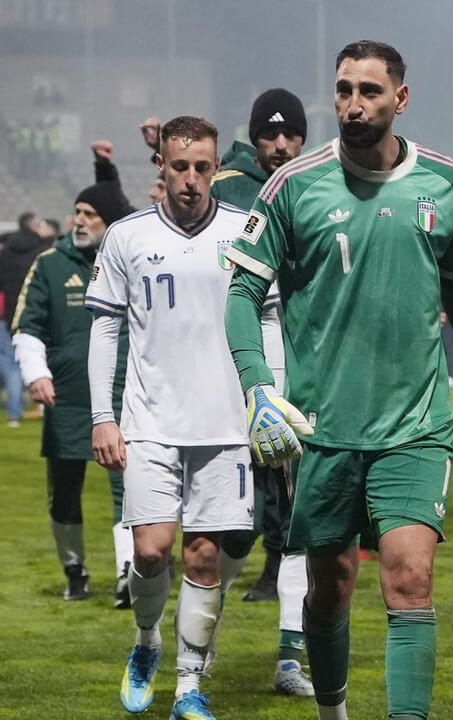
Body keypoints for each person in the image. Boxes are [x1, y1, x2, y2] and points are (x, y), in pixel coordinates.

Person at [223, 40, 453, 720]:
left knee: (410, 580)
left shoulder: (444, 183)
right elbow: (240, 294)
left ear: (400, 99)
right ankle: (332, 711)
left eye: (369, 91)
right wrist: (259, 388)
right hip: (324, 430)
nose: (353, 104)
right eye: (344, 90)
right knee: (331, 587)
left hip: (415, 424)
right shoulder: (293, 186)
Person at [86, 115, 254, 720]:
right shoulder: (126, 236)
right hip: (150, 422)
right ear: (161, 165)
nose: (190, 179)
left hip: (227, 426)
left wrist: (268, 401)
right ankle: (146, 641)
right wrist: (103, 416)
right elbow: (105, 328)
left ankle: (189, 687)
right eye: (179, 166)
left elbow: (268, 319)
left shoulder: (246, 231)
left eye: (202, 167)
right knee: (152, 552)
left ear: (216, 168)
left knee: (205, 557)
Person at [209, 87, 315, 696]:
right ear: (253, 139)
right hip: (236, 374)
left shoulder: (320, 184)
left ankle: (290, 658)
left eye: (289, 134)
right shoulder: (228, 191)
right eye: (269, 134)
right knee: (231, 526)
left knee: (302, 522)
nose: (280, 144)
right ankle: (202, 640)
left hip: (302, 375)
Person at [14, 176, 133, 606]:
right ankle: (74, 569)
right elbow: (27, 325)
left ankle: (128, 573)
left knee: (129, 489)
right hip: (65, 395)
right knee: (64, 491)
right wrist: (36, 373)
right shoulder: (49, 264)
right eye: (77, 212)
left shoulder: (131, 260)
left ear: (109, 222)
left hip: (123, 394)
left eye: (90, 214)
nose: (79, 221)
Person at [0, 212, 49, 426]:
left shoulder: (7, 252)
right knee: (42, 359)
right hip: (39, 313)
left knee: (12, 364)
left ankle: (14, 412)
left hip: (11, 313)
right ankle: (45, 406)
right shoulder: (43, 251)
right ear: (35, 226)